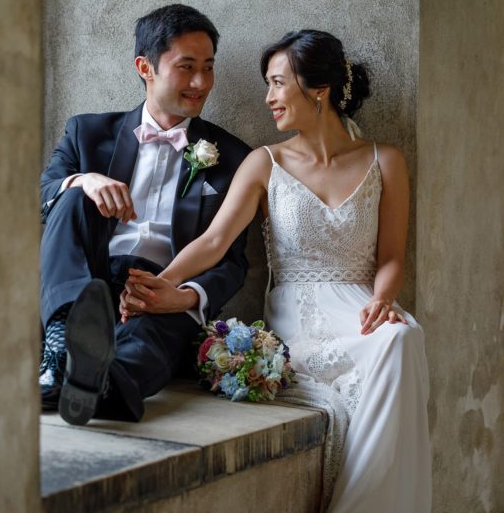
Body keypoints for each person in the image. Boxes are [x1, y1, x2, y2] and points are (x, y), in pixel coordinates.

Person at [122, 30, 431, 512]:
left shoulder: (385, 160)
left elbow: (392, 256)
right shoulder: (265, 162)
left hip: (362, 306)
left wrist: (384, 299)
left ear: (318, 90)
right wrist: (162, 285)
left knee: (402, 336)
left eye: (277, 83)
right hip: (298, 311)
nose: (268, 98)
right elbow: (214, 241)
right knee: (395, 344)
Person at [38, 4, 251, 425]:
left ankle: (96, 383)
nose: (200, 83)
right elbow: (43, 194)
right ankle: (65, 336)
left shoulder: (233, 157)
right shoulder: (87, 131)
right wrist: (84, 180)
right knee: (76, 194)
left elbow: (232, 260)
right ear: (145, 67)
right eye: (186, 67)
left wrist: (185, 296)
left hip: (164, 282)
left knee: (150, 338)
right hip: (91, 276)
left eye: (208, 68)